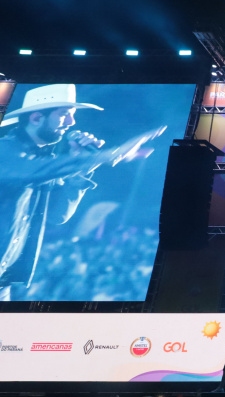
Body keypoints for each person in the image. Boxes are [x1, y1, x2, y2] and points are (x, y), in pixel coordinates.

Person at [0, 84, 164, 301]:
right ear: (36, 118)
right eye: (65, 115)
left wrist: (83, 167)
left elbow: (58, 215)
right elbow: (29, 171)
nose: (71, 123)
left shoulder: (45, 163)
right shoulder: (6, 150)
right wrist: (107, 155)